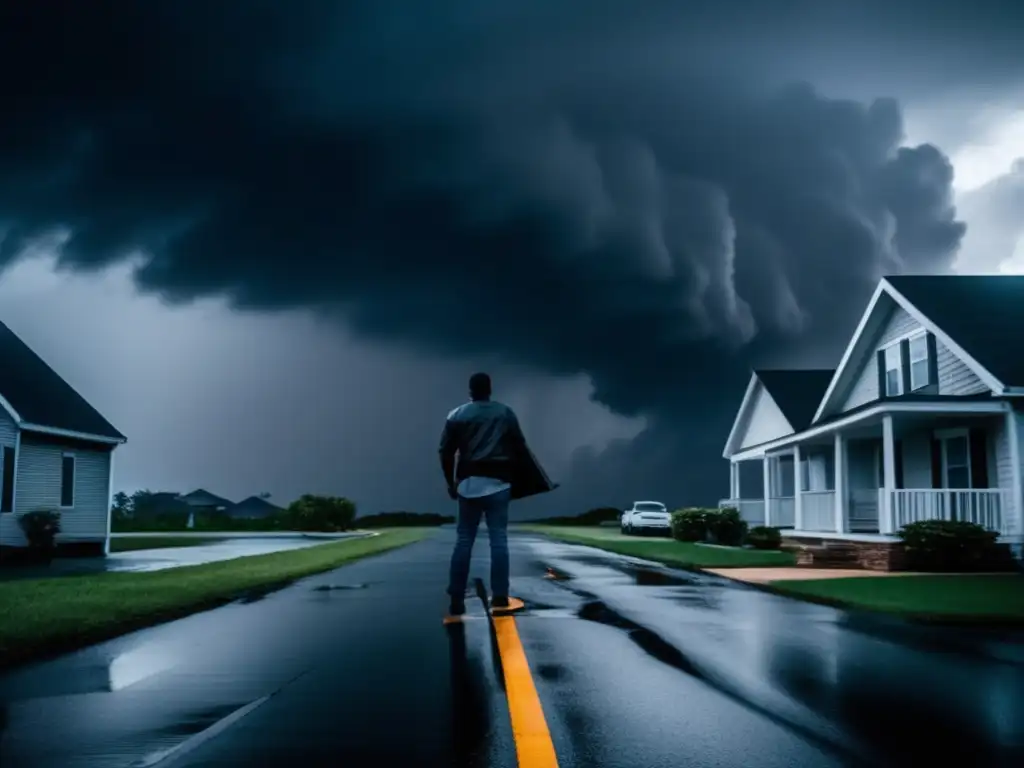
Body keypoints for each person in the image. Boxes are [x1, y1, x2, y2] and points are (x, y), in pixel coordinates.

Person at [439, 372, 557, 616]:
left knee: (463, 540)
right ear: (490, 390)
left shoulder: (456, 415)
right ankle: (500, 596)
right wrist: (533, 481)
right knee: (499, 540)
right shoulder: (505, 413)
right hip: (499, 484)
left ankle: (456, 597)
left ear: (470, 391)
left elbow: (445, 452)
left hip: (468, 485)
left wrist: (451, 483)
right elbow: (520, 447)